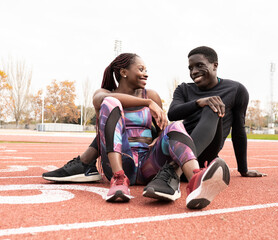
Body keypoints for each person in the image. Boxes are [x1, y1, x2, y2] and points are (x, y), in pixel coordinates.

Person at [43, 53, 230, 209]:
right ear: (124, 72)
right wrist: (147, 104)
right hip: (123, 161)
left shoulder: (153, 95)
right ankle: (118, 180)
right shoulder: (103, 94)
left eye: (146, 70)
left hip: (149, 164)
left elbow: (162, 130)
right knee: (111, 103)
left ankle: (195, 180)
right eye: (141, 69)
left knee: (176, 125)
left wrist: (159, 138)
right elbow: (105, 101)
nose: (146, 74)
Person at [143, 46, 266, 201]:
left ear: (215, 65)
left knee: (214, 105)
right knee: (210, 104)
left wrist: (243, 169)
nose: (194, 71)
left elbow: (239, 131)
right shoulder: (184, 89)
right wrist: (199, 102)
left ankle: (173, 170)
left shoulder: (236, 90)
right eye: (190, 68)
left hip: (206, 152)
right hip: (177, 148)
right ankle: (176, 170)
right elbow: (173, 113)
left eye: (199, 65)